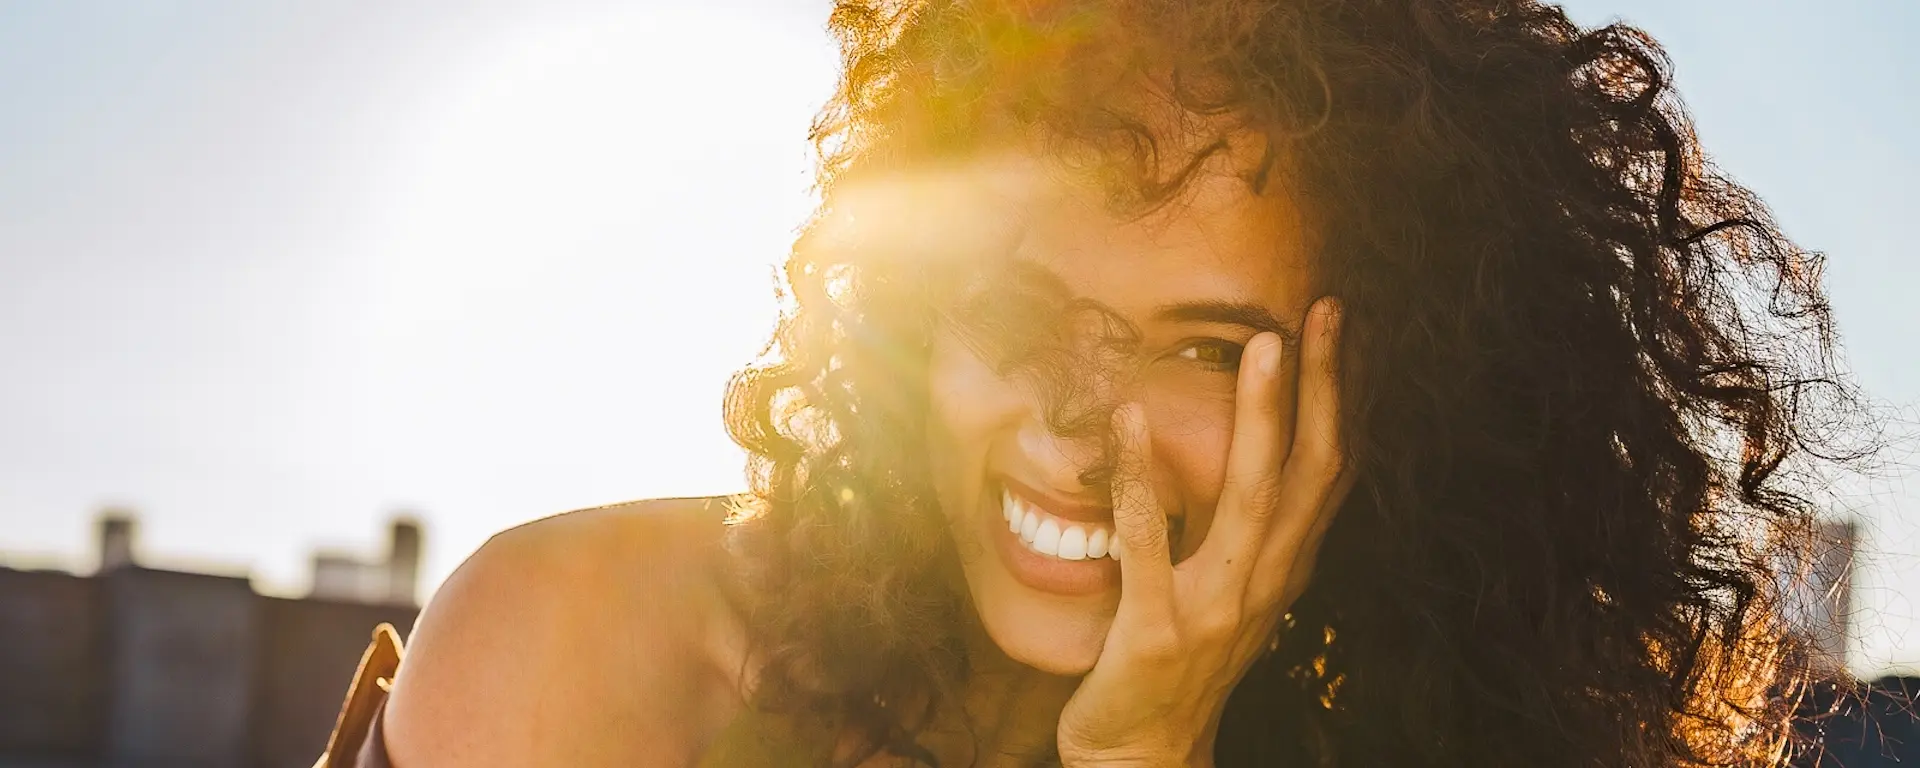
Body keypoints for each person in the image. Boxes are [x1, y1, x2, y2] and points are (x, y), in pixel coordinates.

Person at [324, 0, 1868, 765]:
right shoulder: (587, 640)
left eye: (1204, 347)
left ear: (1379, 403)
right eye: (1024, 311)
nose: (1078, 433)